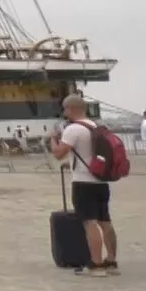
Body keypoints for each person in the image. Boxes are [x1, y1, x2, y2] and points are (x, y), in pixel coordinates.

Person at [48, 94, 118, 276]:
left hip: (83, 182)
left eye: (65, 109)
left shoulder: (73, 129)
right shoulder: (96, 126)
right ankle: (111, 261)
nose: (64, 113)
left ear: (70, 109)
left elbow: (58, 154)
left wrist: (52, 139)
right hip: (101, 180)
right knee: (105, 221)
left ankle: (95, 265)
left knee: (90, 223)